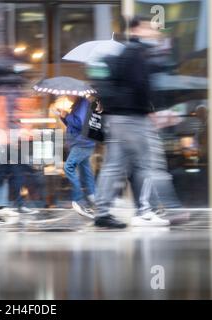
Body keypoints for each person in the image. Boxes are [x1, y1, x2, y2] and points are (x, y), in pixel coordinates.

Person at [92, 16, 170, 228]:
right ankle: (144, 211)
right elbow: (140, 84)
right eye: (149, 28)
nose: (154, 32)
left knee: (113, 165)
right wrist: (153, 110)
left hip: (116, 116)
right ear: (137, 29)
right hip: (133, 116)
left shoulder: (124, 52)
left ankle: (102, 212)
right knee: (146, 163)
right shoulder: (137, 53)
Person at [58, 96, 96, 218]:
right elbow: (72, 126)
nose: (67, 95)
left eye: (68, 93)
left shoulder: (82, 104)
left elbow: (79, 123)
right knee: (86, 171)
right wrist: (63, 116)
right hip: (82, 143)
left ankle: (79, 200)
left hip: (82, 143)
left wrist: (67, 116)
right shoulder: (78, 104)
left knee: (68, 167)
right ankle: (93, 198)